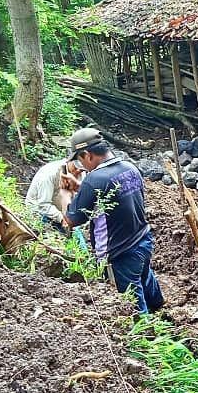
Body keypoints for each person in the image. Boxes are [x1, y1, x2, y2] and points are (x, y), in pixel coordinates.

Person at [60, 128, 164, 314]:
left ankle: (146, 336)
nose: (81, 164)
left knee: (131, 299)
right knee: (144, 275)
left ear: (87, 155)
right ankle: (160, 310)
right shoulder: (130, 167)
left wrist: (66, 193)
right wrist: (81, 188)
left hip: (118, 251)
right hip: (143, 239)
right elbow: (114, 196)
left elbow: (71, 220)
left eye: (80, 159)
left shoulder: (94, 180)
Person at [24, 157, 88, 249]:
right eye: (75, 167)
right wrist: (61, 218)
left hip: (63, 211)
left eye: (81, 169)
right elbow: (43, 205)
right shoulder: (50, 174)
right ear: (69, 161)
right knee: (57, 242)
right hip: (40, 212)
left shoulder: (81, 175)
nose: (78, 171)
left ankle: (83, 258)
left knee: (80, 245)